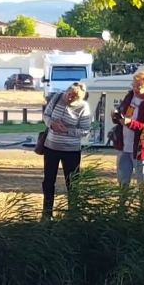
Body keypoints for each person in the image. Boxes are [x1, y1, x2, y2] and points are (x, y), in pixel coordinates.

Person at [41, 82, 92, 220]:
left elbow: (85, 131)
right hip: (51, 146)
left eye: (74, 97)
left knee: (72, 182)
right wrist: (51, 123)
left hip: (71, 150)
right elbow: (46, 115)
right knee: (48, 181)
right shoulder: (57, 98)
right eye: (69, 95)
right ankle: (46, 214)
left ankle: (73, 214)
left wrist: (67, 131)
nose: (69, 99)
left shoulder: (83, 107)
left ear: (80, 98)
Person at [111, 71, 144, 193]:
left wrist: (130, 123)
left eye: (139, 86)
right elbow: (122, 113)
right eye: (133, 85)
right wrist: (116, 116)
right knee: (123, 183)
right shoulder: (129, 96)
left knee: (143, 184)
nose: (135, 89)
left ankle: (143, 210)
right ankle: (122, 209)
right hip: (123, 147)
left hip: (140, 149)